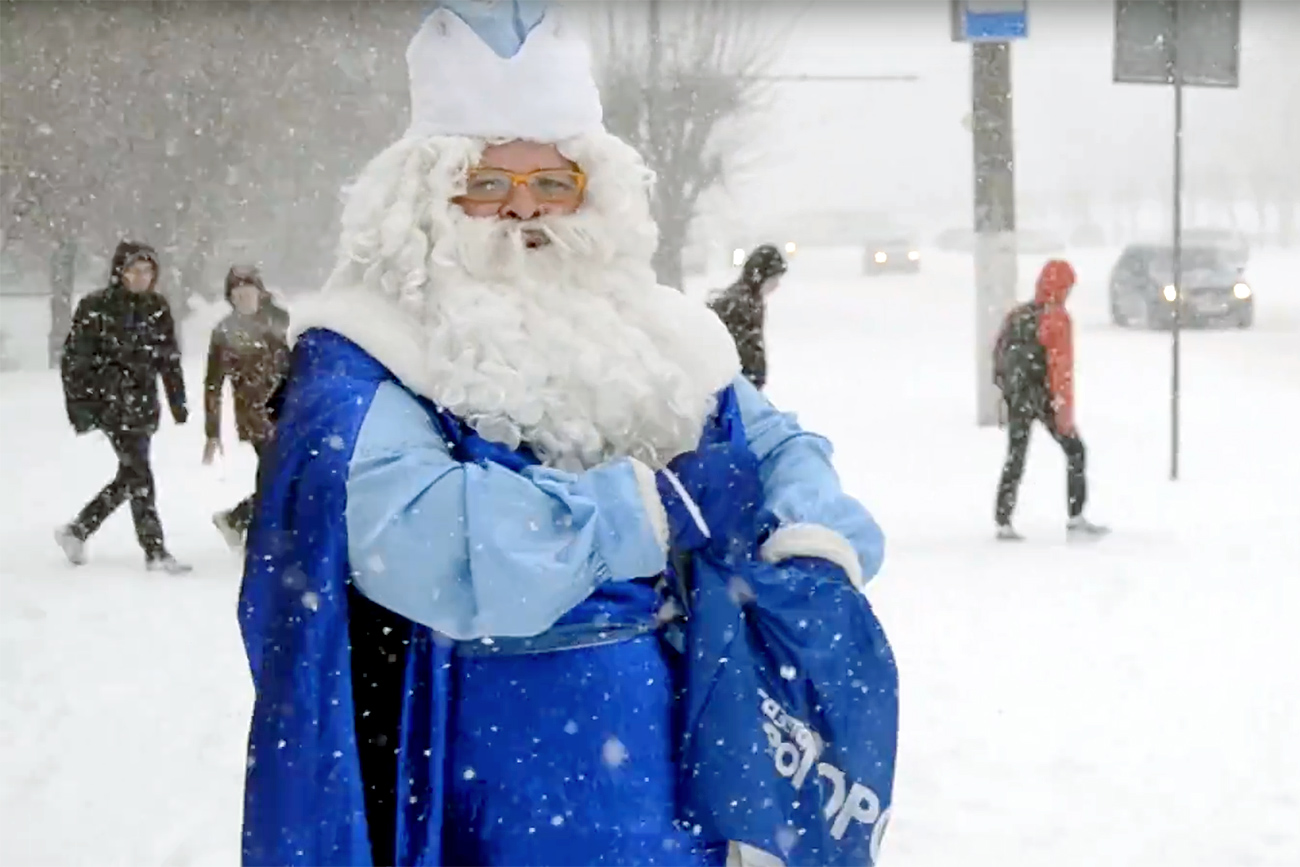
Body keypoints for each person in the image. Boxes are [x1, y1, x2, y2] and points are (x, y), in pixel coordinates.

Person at [237, 4, 891, 866]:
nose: (522, 212)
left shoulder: (660, 332)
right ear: (426, 199)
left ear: (597, 197)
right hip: (498, 774)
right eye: (486, 184)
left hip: (687, 763)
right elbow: (419, 537)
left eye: (554, 184)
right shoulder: (367, 353)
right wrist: (638, 518)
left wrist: (812, 534)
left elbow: (778, 450)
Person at [55, 240, 191, 574]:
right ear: (120, 272)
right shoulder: (96, 307)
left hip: (143, 404)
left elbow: (168, 359)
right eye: (135, 270)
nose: (142, 277)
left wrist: (178, 401)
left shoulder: (157, 307)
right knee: (139, 474)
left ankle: (78, 529)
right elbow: (74, 362)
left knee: (131, 476)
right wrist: (84, 407)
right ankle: (155, 550)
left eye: (148, 271)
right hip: (110, 405)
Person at [993, 259, 1107, 540]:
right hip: (1044, 394)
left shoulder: (1018, 314)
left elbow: (998, 355)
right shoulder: (1057, 318)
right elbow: (1060, 368)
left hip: (1019, 394)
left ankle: (1003, 520)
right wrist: (1062, 412)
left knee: (1015, 455)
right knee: (1075, 450)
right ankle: (1076, 516)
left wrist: (1007, 392)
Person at [204, 265, 290, 548]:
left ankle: (240, 521)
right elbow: (213, 384)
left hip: (291, 408)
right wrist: (212, 432)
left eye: (248, 292)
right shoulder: (224, 332)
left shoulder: (280, 320)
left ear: (260, 292)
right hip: (254, 416)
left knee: (285, 475)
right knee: (278, 475)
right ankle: (249, 526)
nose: (243, 299)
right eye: (236, 295)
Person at [708, 244, 787, 390]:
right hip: (735, 386)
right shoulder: (739, 303)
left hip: (743, 385)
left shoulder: (751, 300)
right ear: (761, 277)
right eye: (774, 278)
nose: (777, 285)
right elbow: (742, 348)